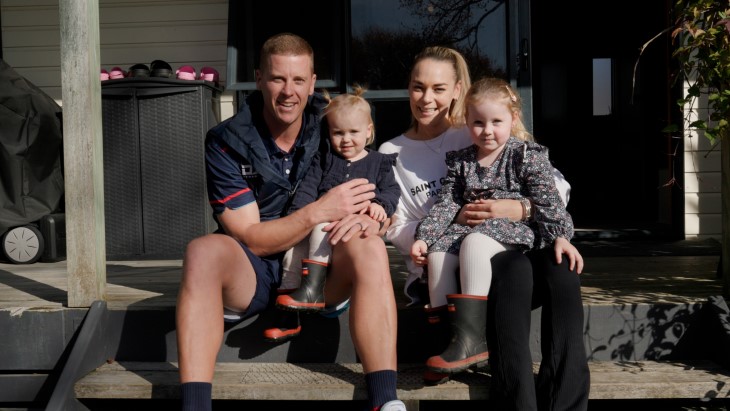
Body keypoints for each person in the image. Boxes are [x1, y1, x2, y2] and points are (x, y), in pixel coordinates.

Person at [175, 33, 407, 411]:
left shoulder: (332, 126)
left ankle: (385, 400)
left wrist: (374, 222)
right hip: (254, 266)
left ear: (313, 82)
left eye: (299, 80)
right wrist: (318, 210)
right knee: (201, 251)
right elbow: (253, 238)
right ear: (259, 78)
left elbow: (375, 184)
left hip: (321, 269)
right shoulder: (227, 140)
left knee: (369, 246)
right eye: (278, 79)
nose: (288, 91)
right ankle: (196, 405)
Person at [378, 46, 590, 410]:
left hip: (515, 235)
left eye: (439, 88)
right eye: (418, 87)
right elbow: (396, 223)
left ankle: (567, 401)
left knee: (563, 272)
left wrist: (518, 207)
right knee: (514, 270)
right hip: (459, 259)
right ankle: (515, 398)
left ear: (457, 91)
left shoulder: (477, 127)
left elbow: (557, 187)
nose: (427, 98)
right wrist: (443, 226)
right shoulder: (392, 151)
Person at [409, 76, 583, 378]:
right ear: (467, 121)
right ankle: (449, 345)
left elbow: (547, 200)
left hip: (509, 229)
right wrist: (425, 237)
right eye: (478, 123)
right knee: (438, 256)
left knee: (475, 242)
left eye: (496, 122)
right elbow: (448, 203)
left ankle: (473, 340)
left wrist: (561, 236)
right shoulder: (462, 161)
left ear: (512, 118)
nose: (487, 131)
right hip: (468, 229)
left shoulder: (526, 155)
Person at [263, 86, 400, 341]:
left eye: (353, 132)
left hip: (346, 232)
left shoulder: (379, 163)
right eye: (338, 133)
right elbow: (308, 188)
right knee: (291, 255)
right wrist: (297, 218)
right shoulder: (324, 159)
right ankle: (288, 314)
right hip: (318, 222)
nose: (345, 139)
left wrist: (381, 205)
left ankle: (313, 289)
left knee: (320, 227)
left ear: (368, 131)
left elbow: (392, 191)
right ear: (329, 133)